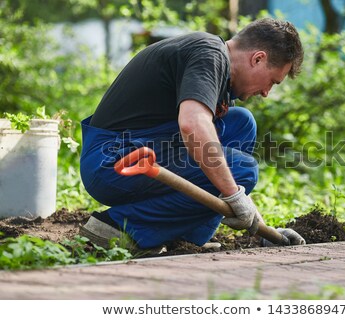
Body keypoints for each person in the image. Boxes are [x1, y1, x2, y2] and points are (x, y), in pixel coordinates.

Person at [79, 18, 305, 251]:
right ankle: (120, 226)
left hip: (143, 147)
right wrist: (235, 195)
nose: (267, 92)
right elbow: (193, 125)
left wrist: (262, 228)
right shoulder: (210, 55)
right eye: (272, 82)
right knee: (242, 169)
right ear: (258, 58)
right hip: (114, 161)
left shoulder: (217, 66)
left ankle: (184, 237)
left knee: (241, 123)